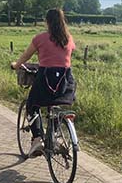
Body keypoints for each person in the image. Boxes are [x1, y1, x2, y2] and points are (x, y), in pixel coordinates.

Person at [11, 8, 76, 157]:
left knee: (32, 104)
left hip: (46, 78)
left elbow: (25, 57)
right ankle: (55, 137)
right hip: (65, 80)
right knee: (55, 106)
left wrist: (16, 65)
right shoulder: (68, 38)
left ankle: (38, 139)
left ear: (47, 21)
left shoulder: (40, 38)